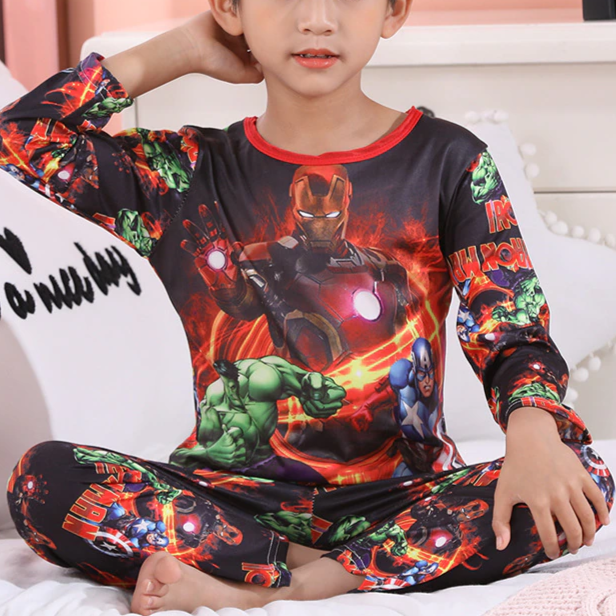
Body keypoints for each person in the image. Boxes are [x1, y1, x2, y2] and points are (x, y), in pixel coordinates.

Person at [1, 0, 613, 614]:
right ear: (230, 7)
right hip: (230, 501)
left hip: (402, 498)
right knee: (41, 482)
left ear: (393, 9)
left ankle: (277, 583)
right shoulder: (185, 174)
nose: (317, 18)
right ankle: (310, 566)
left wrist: (533, 428)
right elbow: (20, 137)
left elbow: (509, 325)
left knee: (584, 477)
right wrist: (182, 49)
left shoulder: (450, 161)